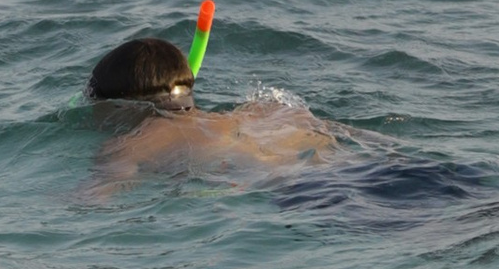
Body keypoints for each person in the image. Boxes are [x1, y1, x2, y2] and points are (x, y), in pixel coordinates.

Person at [84, 25, 331, 185]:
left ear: (121, 105)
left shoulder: (129, 148)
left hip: (296, 195)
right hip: (348, 172)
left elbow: (91, 202)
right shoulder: (261, 112)